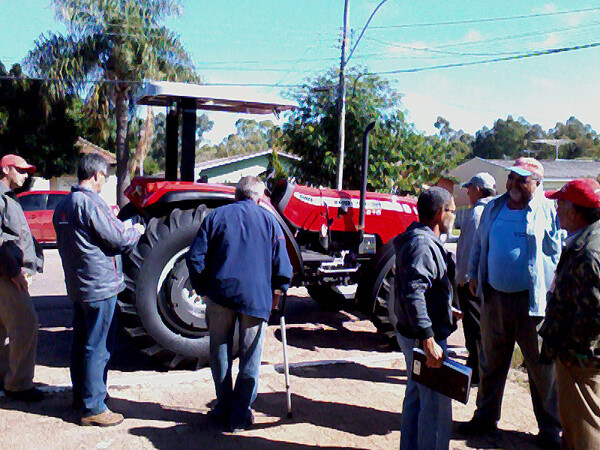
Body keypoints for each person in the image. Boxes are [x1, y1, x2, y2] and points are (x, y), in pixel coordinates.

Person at [461, 157, 562, 448]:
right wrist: (474, 272)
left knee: (542, 368)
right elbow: (480, 243)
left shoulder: (548, 211)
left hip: (533, 305)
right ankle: (485, 418)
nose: (515, 184)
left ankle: (549, 429)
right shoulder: (494, 207)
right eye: (512, 178)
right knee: (490, 362)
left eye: (522, 179)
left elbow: (559, 252)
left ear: (537, 183)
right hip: (494, 297)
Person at [186, 176, 293, 432]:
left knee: (219, 351)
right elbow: (283, 266)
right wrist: (279, 292)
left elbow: (195, 257)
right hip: (256, 299)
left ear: (236, 195)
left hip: (220, 295)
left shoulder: (215, 217)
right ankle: (239, 416)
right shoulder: (270, 221)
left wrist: (203, 288)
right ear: (258, 197)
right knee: (250, 358)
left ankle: (223, 407)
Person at [53, 153, 143, 427]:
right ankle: (94, 407)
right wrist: (136, 230)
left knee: (81, 342)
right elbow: (117, 237)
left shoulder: (64, 205)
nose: (104, 181)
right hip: (100, 286)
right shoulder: (91, 203)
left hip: (79, 286)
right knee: (99, 346)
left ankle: (81, 396)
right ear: (96, 176)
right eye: (104, 176)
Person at [394, 186, 457, 450]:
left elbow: (421, 290)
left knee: (416, 397)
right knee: (434, 406)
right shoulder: (422, 244)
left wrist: (446, 307)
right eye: (453, 211)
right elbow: (413, 292)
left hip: (416, 334)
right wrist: (428, 336)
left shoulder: (419, 240)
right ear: (441, 214)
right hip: (423, 339)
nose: (454, 216)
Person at [540, 178, 600, 450]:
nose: (556, 209)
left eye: (561, 204)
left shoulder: (588, 252)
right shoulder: (586, 239)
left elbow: (591, 318)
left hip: (580, 359)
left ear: (577, 211)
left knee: (582, 429)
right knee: (575, 427)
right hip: (579, 356)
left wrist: (569, 350)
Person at [0, 154, 44, 402]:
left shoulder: (9, 198)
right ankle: (18, 385)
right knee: (27, 324)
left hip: (7, 273)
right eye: (21, 170)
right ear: (6, 168)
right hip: (7, 275)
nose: (26, 175)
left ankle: (4, 376)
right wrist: (15, 273)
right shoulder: (1, 197)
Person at [455, 172, 496, 384]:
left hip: (472, 282)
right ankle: (477, 367)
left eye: (470, 188)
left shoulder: (477, 214)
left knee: (474, 329)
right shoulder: (492, 211)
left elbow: (470, 250)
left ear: (478, 190)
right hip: (483, 280)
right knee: (477, 327)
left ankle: (477, 371)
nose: (468, 192)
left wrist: (464, 278)